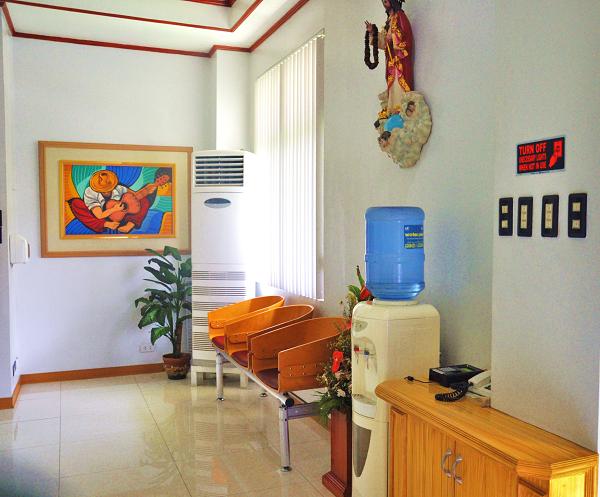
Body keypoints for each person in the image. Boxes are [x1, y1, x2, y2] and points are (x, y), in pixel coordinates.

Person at [365, 0, 414, 115]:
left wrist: (393, 36)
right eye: (383, 1)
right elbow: (384, 43)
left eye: (386, 1)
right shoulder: (388, 21)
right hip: (391, 63)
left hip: (400, 62)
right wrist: (372, 32)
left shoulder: (400, 16)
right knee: (392, 89)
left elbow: (406, 36)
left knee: (399, 87)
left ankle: (403, 114)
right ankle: (393, 114)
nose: (384, 3)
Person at [68, 170, 155, 234]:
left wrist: (146, 190)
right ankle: (105, 224)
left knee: (143, 200)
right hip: (100, 218)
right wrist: (113, 209)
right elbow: (99, 215)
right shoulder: (90, 192)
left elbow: (135, 195)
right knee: (76, 203)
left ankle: (130, 224)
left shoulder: (118, 188)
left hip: (120, 216)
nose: (107, 191)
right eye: (104, 189)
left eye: (109, 187)